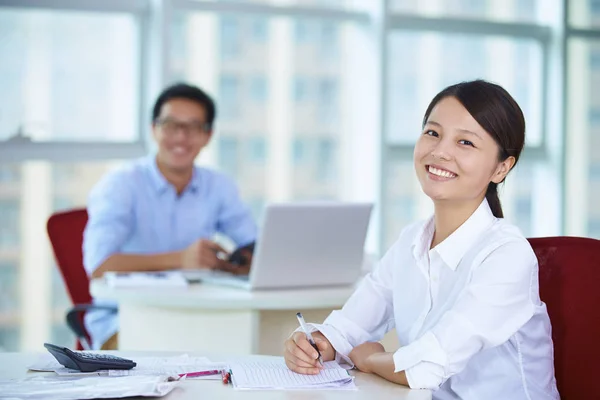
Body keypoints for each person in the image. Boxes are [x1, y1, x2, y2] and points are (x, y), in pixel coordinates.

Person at [283, 80, 558, 399]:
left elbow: (425, 366)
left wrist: (370, 359)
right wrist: (314, 344)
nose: (440, 151)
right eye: (433, 133)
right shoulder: (412, 240)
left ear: (501, 168)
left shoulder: (507, 255)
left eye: (465, 143)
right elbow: (353, 324)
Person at [83, 83, 257, 350]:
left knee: (245, 346)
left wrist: (228, 264)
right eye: (170, 125)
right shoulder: (120, 184)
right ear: (154, 129)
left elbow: (255, 247)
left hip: (198, 312)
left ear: (208, 135)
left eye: (193, 127)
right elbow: (99, 265)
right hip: (125, 317)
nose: (181, 137)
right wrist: (181, 259)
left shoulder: (219, 186)